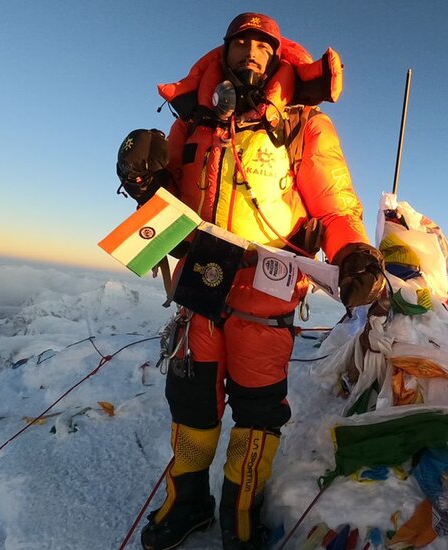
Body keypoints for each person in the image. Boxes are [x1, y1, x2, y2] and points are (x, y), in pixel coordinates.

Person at [117, 12, 386, 550]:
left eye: (261, 44)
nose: (250, 51)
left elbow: (335, 205)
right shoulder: (192, 121)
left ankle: (240, 514)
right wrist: (145, 184)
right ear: (225, 51)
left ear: (277, 55)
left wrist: (354, 250)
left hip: (266, 299)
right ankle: (186, 504)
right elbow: (170, 202)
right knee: (191, 409)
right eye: (240, 42)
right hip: (199, 292)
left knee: (258, 416)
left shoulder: (303, 124)